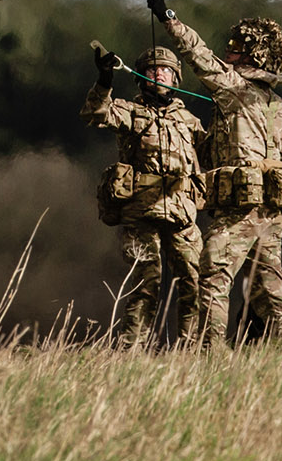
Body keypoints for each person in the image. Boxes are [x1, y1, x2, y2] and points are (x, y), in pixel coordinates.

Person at [149, 0, 282, 346]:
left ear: (253, 57)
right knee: (270, 290)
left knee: (213, 275)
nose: (228, 55)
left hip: (240, 210)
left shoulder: (235, 90)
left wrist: (167, 17)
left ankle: (209, 357)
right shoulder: (279, 107)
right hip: (272, 213)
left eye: (235, 50)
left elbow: (199, 56)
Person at [81, 40, 207, 348]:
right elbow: (94, 112)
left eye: (166, 70)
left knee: (193, 283)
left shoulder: (190, 121)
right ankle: (131, 350)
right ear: (141, 77)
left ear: (176, 78)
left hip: (181, 213)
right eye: (153, 69)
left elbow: (208, 160)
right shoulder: (130, 112)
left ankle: (190, 352)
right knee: (146, 281)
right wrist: (105, 80)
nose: (159, 74)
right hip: (141, 212)